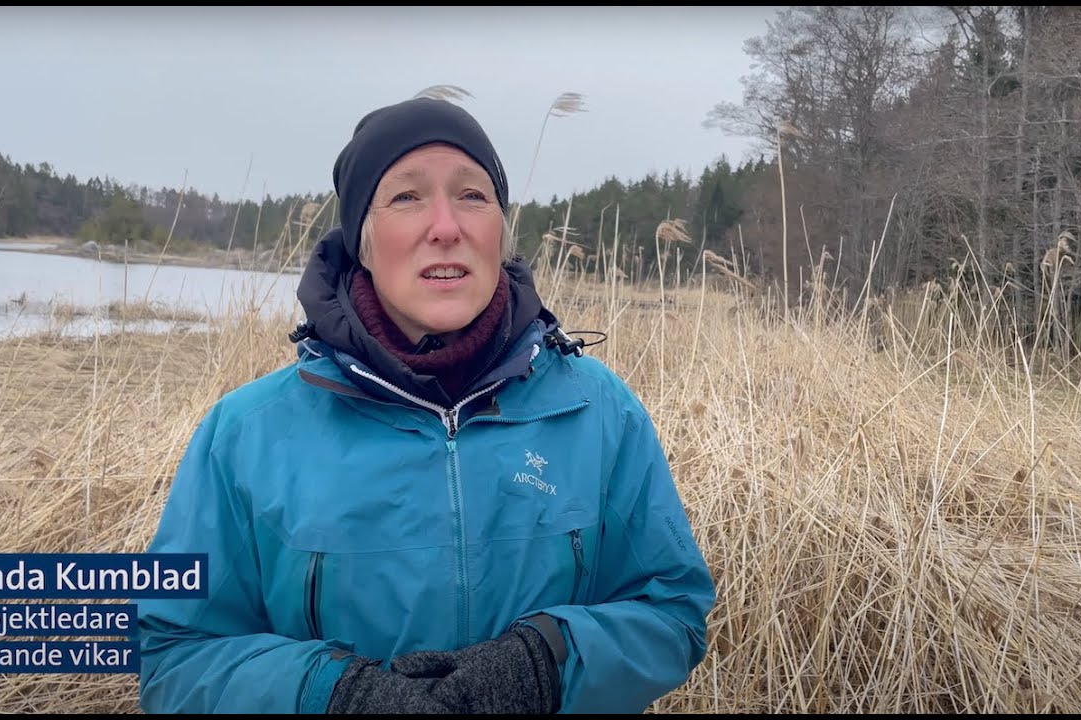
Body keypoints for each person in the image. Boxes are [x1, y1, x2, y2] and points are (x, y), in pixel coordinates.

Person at [136, 96, 716, 714]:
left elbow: (672, 609)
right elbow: (171, 654)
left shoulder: (597, 411)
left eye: (472, 195)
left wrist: (546, 663)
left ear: (499, 229)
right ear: (362, 238)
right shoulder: (246, 434)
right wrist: (331, 696)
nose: (446, 226)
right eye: (407, 197)